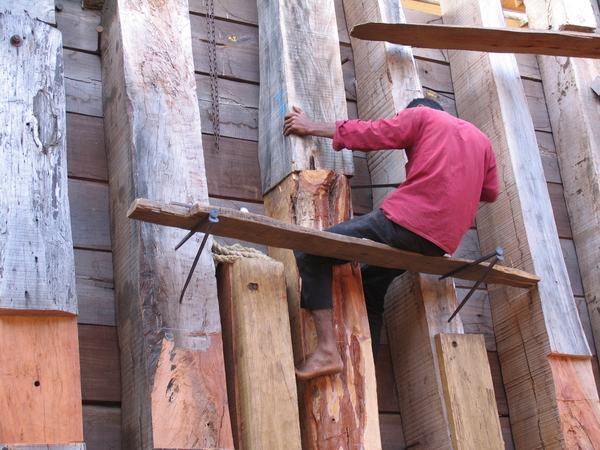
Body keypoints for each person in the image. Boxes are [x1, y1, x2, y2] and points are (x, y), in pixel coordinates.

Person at [283, 98, 499, 381]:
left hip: (409, 221)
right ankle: (366, 379)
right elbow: (491, 192)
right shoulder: (482, 141)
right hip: (437, 244)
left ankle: (326, 350)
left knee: (311, 249)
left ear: (413, 111)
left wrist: (311, 126)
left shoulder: (421, 116)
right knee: (372, 285)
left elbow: (373, 133)